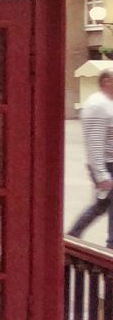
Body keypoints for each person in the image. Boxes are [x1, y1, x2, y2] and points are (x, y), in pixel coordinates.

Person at [69, 69, 113, 246]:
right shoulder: (97, 105)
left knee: (101, 206)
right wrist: (101, 174)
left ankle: (72, 237)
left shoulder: (108, 103)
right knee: (104, 206)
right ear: (107, 81)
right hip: (107, 165)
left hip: (109, 163)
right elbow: (94, 141)